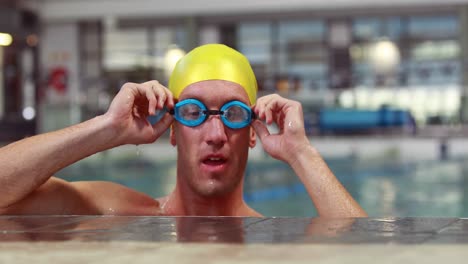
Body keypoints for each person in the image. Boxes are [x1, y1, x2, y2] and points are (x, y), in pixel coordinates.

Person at [0, 44, 366, 217]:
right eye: (192, 111)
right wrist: (106, 128)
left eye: (234, 113)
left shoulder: (272, 239)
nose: (216, 134)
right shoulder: (108, 214)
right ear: (173, 130)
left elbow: (375, 254)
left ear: (253, 132)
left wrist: (301, 153)